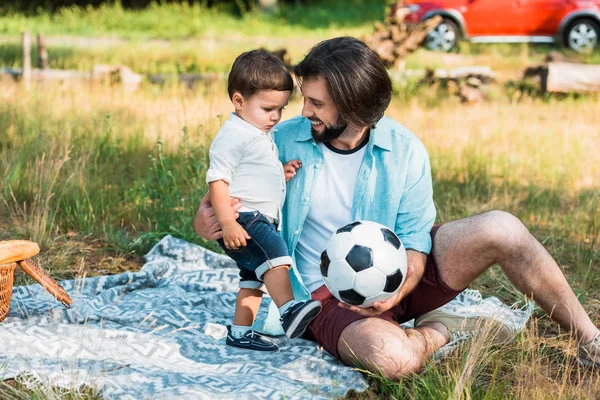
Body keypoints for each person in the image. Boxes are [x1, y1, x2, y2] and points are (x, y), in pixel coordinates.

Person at [194, 37, 600, 377]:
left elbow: (416, 239)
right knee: (393, 359)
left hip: (399, 276)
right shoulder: (279, 139)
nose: (304, 112)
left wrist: (401, 288)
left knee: (503, 228)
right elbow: (219, 206)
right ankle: (439, 331)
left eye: (316, 103)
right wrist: (206, 221)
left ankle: (591, 340)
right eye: (305, 99)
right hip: (325, 295)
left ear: (352, 106)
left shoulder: (403, 148)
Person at [206, 49, 321, 352]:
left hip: (254, 216)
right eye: (268, 108)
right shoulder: (234, 135)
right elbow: (218, 181)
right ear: (239, 100)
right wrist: (228, 223)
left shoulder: (254, 130)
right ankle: (289, 310)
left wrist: (279, 174)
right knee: (276, 253)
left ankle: (240, 333)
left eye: (281, 109)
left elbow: (251, 174)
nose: (275, 117)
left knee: (252, 279)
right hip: (245, 218)